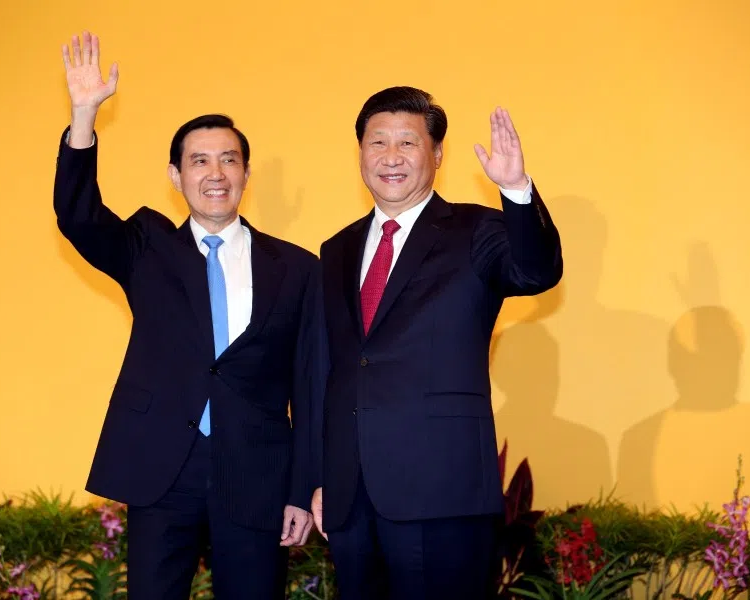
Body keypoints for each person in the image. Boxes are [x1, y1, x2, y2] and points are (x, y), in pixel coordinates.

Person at [54, 31, 317, 599]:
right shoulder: (146, 246)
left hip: (257, 473)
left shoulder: (296, 269)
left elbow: (310, 384)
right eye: (199, 161)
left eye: (229, 159)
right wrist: (82, 118)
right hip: (163, 469)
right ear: (175, 176)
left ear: (247, 172)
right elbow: (78, 216)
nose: (215, 173)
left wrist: (302, 488)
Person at [310, 86, 563, 599]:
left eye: (408, 142)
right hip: (350, 498)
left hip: (442, 492)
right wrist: (319, 478)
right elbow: (330, 369)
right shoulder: (336, 249)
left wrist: (516, 190)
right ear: (360, 153)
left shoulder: (477, 229)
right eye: (378, 142)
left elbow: (536, 272)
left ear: (438, 153)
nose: (391, 157)